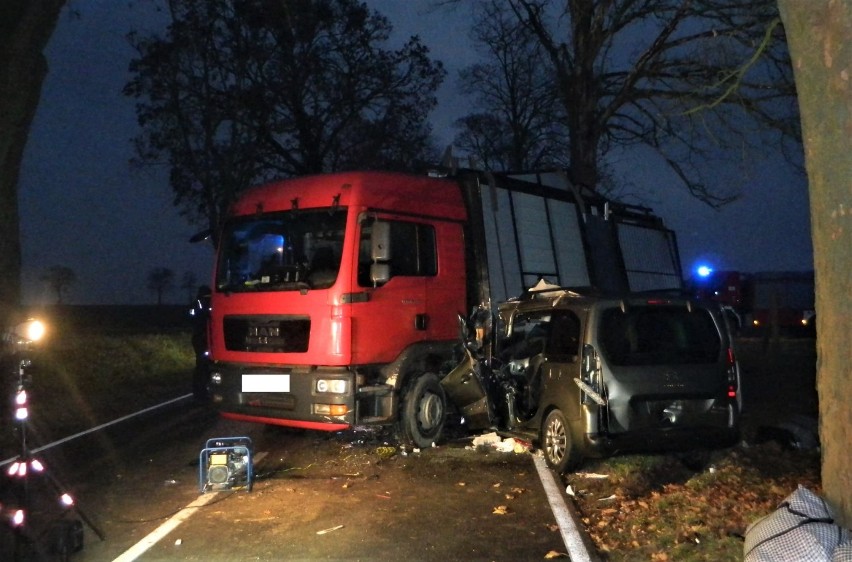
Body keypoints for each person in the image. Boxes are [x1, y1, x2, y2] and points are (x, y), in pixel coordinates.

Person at [190, 285, 211, 400]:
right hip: (201, 338)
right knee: (202, 365)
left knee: (203, 365)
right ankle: (200, 392)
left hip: (202, 337)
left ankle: (202, 390)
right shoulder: (200, 304)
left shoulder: (199, 303)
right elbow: (195, 318)